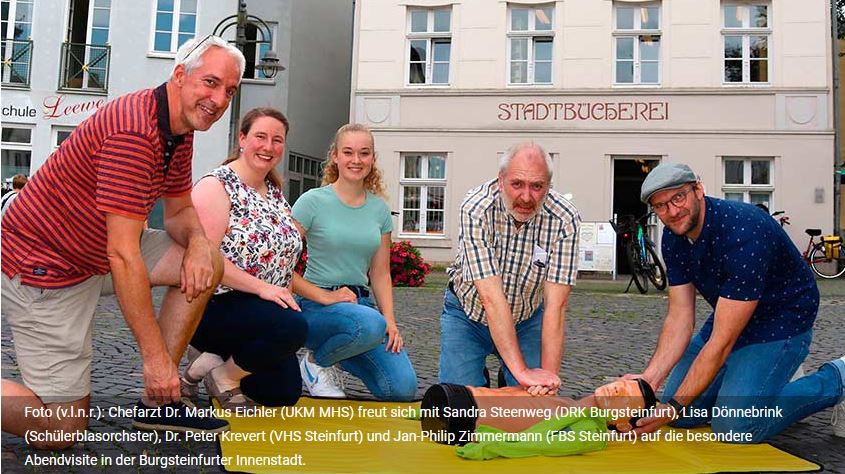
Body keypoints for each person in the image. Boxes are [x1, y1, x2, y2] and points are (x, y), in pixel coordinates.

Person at [0, 35, 244, 447]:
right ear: (180, 75)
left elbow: (181, 211)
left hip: (96, 254)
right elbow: (124, 254)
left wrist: (201, 244)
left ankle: (158, 403)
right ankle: (162, 380)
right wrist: (154, 359)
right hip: (46, 266)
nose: (219, 99)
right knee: (58, 433)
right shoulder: (135, 131)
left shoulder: (178, 127)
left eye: (229, 91)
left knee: (206, 261)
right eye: (211, 83)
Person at [622, 162, 845, 442]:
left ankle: (837, 377)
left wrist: (673, 406)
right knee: (683, 418)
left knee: (734, 428)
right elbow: (680, 317)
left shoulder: (743, 231)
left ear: (698, 190)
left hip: (781, 321)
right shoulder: (674, 235)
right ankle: (761, 379)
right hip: (730, 315)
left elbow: (721, 342)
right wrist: (648, 382)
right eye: (661, 205)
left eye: (678, 197)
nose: (672, 211)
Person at [184, 107, 308, 409]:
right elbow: (206, 260)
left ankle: (212, 363)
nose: (268, 147)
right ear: (242, 138)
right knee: (295, 327)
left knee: (282, 394)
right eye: (260, 137)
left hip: (263, 313)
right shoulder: (217, 186)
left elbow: (281, 261)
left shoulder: (275, 193)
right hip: (217, 305)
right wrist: (263, 288)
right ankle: (220, 370)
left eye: (277, 140)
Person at [439, 142, 580, 392]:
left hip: (527, 317)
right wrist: (524, 373)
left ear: (549, 185)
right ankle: (486, 372)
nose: (526, 197)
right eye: (517, 184)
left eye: (537, 186)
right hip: (468, 314)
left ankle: (510, 379)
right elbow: (490, 298)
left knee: (534, 403)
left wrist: (546, 380)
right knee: (459, 407)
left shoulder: (565, 219)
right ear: (500, 180)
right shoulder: (476, 208)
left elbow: (556, 307)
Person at [290, 123, 417, 401]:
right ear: (335, 156)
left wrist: (390, 321)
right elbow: (279, 266)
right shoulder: (311, 202)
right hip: (315, 307)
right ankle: (316, 363)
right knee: (370, 325)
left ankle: (341, 353)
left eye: (364, 153)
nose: (356, 160)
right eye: (348, 152)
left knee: (401, 388)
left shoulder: (379, 210)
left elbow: (380, 273)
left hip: (362, 308)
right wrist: (325, 296)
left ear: (372, 159)